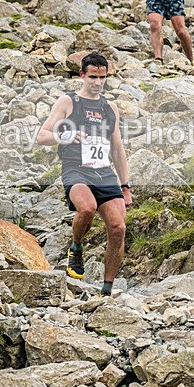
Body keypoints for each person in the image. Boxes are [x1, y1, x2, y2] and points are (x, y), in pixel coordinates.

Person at [36, 52, 132, 296]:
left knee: (118, 227)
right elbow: (41, 136)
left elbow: (117, 148)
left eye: (103, 78)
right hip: (75, 168)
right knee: (87, 208)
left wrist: (126, 185)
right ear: (82, 75)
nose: (98, 83)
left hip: (104, 173)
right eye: (93, 77)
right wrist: (65, 136)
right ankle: (76, 247)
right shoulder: (68, 103)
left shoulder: (110, 108)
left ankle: (107, 289)